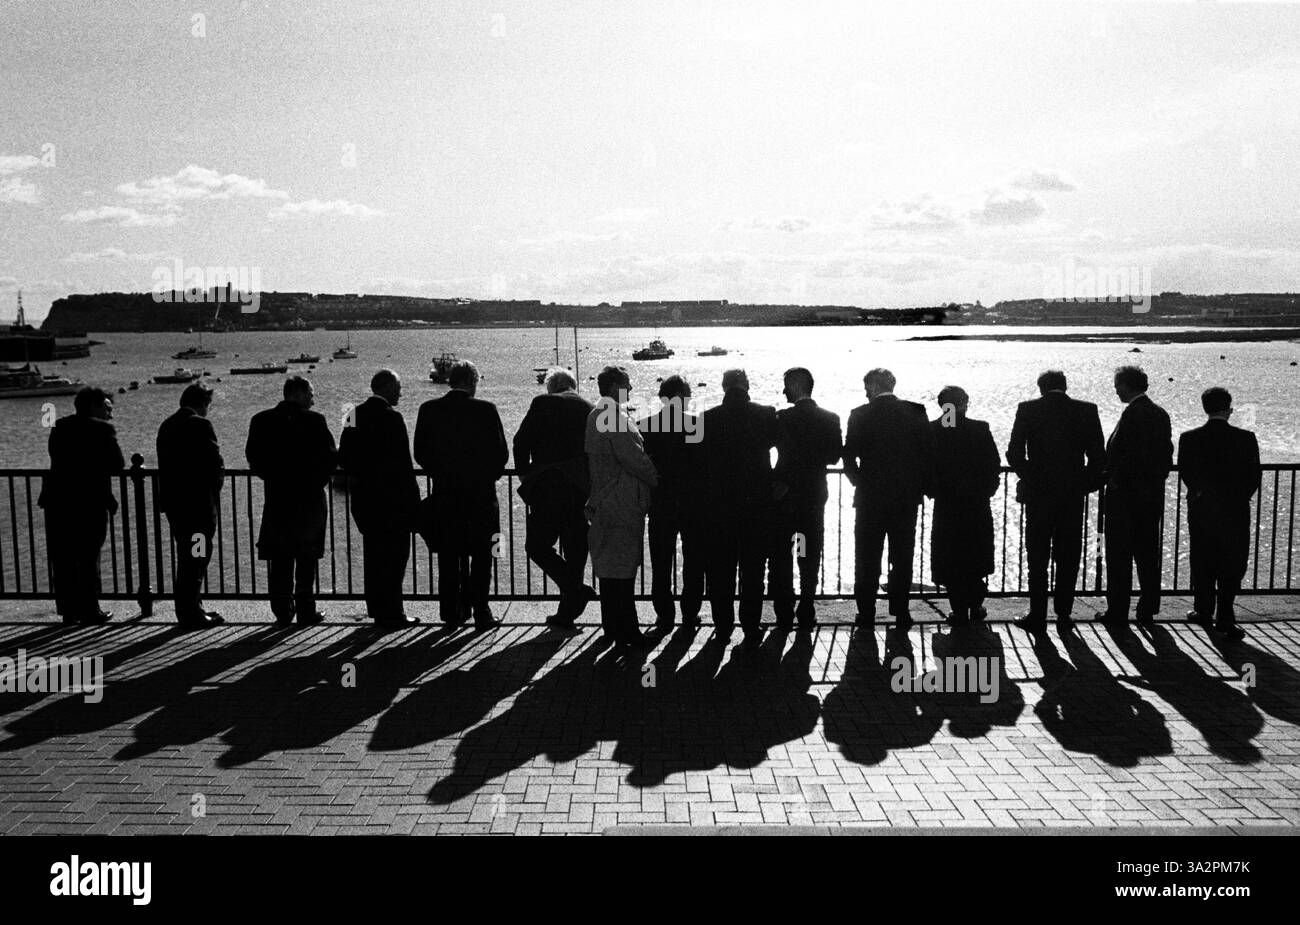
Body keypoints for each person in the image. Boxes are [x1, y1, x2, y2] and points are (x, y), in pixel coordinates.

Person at [1005, 369, 1105, 631]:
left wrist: (1030, 477)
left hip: (1038, 496)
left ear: (1040, 388)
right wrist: (1084, 484)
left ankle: (1037, 613)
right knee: (1069, 555)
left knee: (1037, 556)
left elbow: (1014, 452)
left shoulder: (1027, 409)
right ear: (1065, 386)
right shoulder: (1087, 410)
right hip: (1071, 496)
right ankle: (1064, 613)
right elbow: (1098, 457)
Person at [414, 360, 507, 630]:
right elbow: (500, 454)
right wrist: (487, 475)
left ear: (451, 381)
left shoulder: (428, 410)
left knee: (449, 554)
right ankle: (481, 611)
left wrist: (440, 473)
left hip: (446, 495)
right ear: (472, 382)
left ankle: (451, 612)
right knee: (482, 555)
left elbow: (421, 452)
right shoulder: (486, 410)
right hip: (481, 497)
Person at [842, 368, 934, 629]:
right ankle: (901, 610)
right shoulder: (916, 411)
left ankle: (867, 612)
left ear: (872, 386)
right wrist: (919, 486)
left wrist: (860, 482)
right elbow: (928, 453)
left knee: (867, 558)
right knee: (902, 557)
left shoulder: (859, 414)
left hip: (870, 499)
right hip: (905, 499)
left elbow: (848, 457)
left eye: (866, 387)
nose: (865, 392)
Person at [246, 375, 338, 626]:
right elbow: (330, 459)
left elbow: (254, 459)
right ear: (298, 394)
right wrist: (314, 482)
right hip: (309, 500)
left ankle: (282, 609)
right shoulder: (315, 421)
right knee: (307, 557)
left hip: (278, 498)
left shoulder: (261, 420)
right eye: (310, 393)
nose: (313, 399)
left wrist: (275, 478)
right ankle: (306, 609)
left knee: (280, 556)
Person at [700, 368, 779, 645]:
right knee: (753, 570)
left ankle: (722, 627)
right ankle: (751, 625)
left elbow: (696, 461)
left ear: (723, 387)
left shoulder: (707, 419)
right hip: (756, 505)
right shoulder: (766, 414)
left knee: (721, 570)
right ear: (747, 385)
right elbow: (781, 447)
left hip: (719, 506)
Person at [513, 369, 596, 629]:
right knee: (575, 550)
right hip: (580, 490)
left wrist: (525, 475)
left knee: (536, 546)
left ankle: (573, 591)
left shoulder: (543, 403)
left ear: (552, 387)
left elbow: (520, 441)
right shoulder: (589, 408)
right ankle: (568, 610)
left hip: (547, 486)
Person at [338, 369, 420, 628]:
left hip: (365, 500)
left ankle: (376, 607)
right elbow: (403, 465)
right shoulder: (393, 418)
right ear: (385, 388)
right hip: (392, 501)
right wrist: (413, 501)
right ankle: (393, 611)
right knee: (395, 558)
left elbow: (345, 457)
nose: (400, 392)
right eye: (397, 387)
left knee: (373, 556)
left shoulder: (352, 415)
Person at [1177, 387, 1260, 640]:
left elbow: (1187, 473)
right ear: (1228, 409)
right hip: (1234, 511)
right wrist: (1238, 498)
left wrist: (1202, 495)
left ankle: (1203, 609)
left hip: (1202, 510)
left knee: (1202, 560)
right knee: (1232, 563)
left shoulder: (1189, 438)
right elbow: (1253, 476)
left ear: (1205, 408)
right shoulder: (1245, 438)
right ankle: (1225, 615)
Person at [38, 386, 125, 625]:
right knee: (88, 556)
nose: (111, 414)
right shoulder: (103, 430)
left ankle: (69, 610)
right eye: (108, 408)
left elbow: (55, 457)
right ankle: (90, 609)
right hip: (89, 501)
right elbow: (117, 465)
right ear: (94, 407)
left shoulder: (60, 426)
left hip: (57, 500)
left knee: (63, 557)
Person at [585, 366, 658, 648]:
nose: (630, 387)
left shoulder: (596, 414)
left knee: (610, 568)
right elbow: (633, 458)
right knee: (624, 568)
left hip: (605, 498)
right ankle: (629, 632)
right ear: (615, 386)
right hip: (621, 499)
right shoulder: (613, 416)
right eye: (627, 383)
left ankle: (613, 627)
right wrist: (654, 479)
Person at [1099, 365, 1173, 627]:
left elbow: (1123, 455)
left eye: (1117, 385)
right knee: (1147, 554)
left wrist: (1115, 480)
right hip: (1150, 498)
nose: (1115, 390)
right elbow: (1165, 455)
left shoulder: (1132, 415)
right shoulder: (1160, 414)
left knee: (1118, 556)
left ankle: (1118, 609)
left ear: (1127, 386)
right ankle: (1148, 607)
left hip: (1125, 499)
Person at [769, 367, 841, 632]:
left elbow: (771, 449)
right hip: (814, 496)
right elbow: (834, 456)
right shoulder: (830, 418)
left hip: (784, 499)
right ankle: (807, 606)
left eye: (785, 385)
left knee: (782, 556)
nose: (783, 390)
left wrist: (782, 480)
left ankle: (784, 613)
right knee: (809, 555)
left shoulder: (782, 418)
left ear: (795, 386)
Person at [637, 375, 706, 632]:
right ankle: (690, 613)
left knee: (661, 561)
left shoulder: (646, 426)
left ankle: (664, 614)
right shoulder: (695, 426)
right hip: (691, 503)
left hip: (660, 502)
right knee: (694, 560)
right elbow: (703, 466)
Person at [927, 386, 1000, 625]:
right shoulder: (980, 429)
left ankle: (958, 610)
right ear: (964, 403)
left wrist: (934, 491)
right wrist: (986, 491)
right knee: (975, 557)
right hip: (976, 505)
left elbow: (925, 467)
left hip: (947, 506)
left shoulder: (933, 430)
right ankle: (976, 606)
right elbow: (993, 465)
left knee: (950, 558)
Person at [156, 382, 225, 628]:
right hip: (198, 508)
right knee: (196, 558)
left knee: (187, 556)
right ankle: (191, 611)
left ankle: (189, 608)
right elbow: (214, 464)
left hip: (176, 506)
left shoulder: (167, 425)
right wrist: (216, 485)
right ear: (202, 403)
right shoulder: (201, 425)